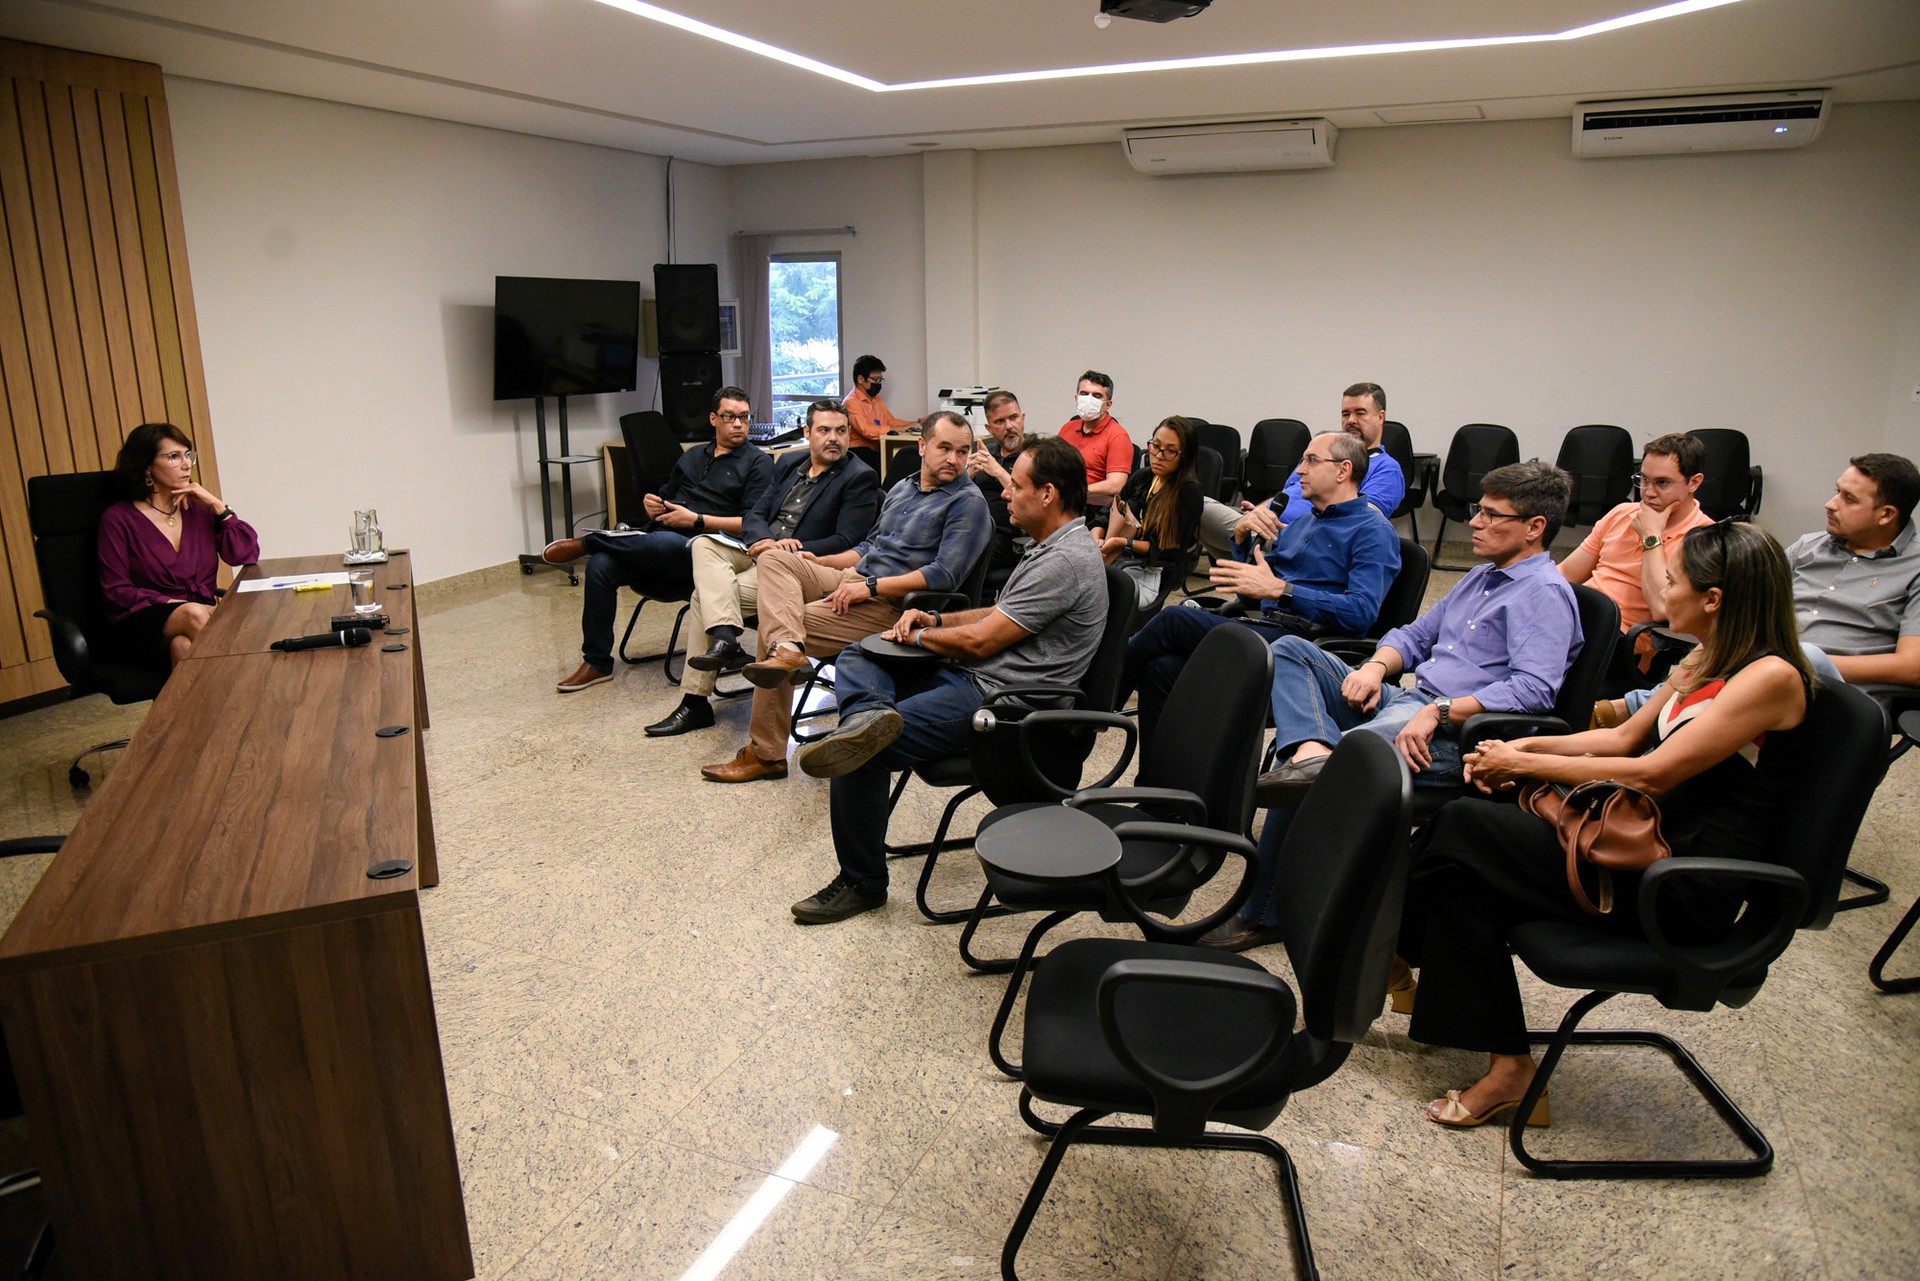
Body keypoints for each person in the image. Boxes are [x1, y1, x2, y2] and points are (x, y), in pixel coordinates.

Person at [1397, 520, 1812, 1129]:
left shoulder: (1770, 677)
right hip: (1634, 847)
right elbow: (1621, 737)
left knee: (1463, 824)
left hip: (1681, 883)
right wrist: (1522, 751)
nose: (1660, 589)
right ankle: (1510, 1069)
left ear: (1714, 600)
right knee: (1465, 874)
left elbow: (1652, 775)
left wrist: (1521, 760)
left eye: (1673, 580)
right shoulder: (1705, 657)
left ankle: (1389, 949)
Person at [1202, 460, 1580, 952]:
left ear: (1535, 528)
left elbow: (1533, 691)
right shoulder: (1482, 576)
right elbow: (1416, 635)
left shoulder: (1545, 594)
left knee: (1334, 764)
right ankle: (1312, 752)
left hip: (1458, 737)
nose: (1475, 523)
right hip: (1407, 700)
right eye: (1477, 511)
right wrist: (1376, 667)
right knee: (1292, 654)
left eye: (1491, 516)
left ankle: (1265, 908)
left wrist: (1439, 710)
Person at [787, 436, 1109, 924]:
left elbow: (982, 642)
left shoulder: (1065, 561)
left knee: (857, 752)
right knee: (860, 653)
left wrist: (920, 639)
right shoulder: (1055, 546)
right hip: (976, 677)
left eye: (1016, 485)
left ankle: (863, 882)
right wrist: (935, 623)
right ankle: (870, 715)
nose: (1005, 493)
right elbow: (998, 615)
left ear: (1047, 494)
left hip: (1003, 702)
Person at [700, 411, 992, 783]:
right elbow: (868, 546)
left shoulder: (968, 502)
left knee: (778, 627)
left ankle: (767, 752)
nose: (954, 459)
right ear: (922, 446)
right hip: (855, 578)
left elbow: (944, 575)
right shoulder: (903, 488)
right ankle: (788, 652)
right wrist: (817, 562)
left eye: (962, 451)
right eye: (945, 448)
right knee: (776, 557)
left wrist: (868, 588)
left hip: (896, 607)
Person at [1122, 431, 1400, 744]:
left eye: (1311, 460)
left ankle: (1093, 705)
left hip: (1306, 646)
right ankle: (1154, 786)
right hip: (1268, 627)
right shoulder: (1303, 524)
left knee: (1174, 619)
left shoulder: (1372, 531)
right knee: (1160, 669)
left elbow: (1361, 613)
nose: (1299, 471)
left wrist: (1284, 591)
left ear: (1343, 470)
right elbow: (1252, 593)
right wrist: (1240, 539)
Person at [642, 399, 879, 737]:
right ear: (807, 432)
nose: (834, 438)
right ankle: (725, 638)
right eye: (824, 430)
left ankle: (697, 698)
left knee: (703, 599)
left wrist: (788, 549)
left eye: (841, 431)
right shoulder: (789, 462)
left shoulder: (859, 476)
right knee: (704, 543)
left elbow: (848, 540)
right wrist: (766, 540)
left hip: (800, 566)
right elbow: (755, 513)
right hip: (761, 549)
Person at [546, 387, 772, 694]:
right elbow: (665, 497)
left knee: (670, 543)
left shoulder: (759, 464)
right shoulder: (692, 457)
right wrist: (652, 504)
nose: (737, 424)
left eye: (744, 417)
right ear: (713, 419)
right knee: (601, 567)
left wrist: (696, 520)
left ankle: (589, 544)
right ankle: (597, 662)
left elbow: (752, 522)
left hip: (708, 556)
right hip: (659, 547)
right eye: (729, 417)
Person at [97, 422, 260, 667]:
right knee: (193, 613)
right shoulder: (118, 519)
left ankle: (193, 706)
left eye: (188, 455)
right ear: (146, 466)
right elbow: (116, 591)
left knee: (183, 645)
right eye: (174, 456)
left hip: (199, 619)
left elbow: (245, 554)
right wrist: (176, 605)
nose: (186, 465)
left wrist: (217, 505)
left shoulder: (199, 510)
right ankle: (250, 681)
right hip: (141, 623)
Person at [1199, 383, 1407, 559]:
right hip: (1269, 528)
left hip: (1297, 543)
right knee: (1187, 509)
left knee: (1193, 504)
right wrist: (1261, 511)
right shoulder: (1324, 452)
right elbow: (1288, 494)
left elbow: (1360, 522)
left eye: (1360, 413)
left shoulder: (1387, 469)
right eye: (1346, 413)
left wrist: (1288, 529)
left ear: (1380, 417)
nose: (1351, 420)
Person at [1559, 432, 1713, 640]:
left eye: (1662, 483)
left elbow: (1662, 608)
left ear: (1694, 483)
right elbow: (1567, 572)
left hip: (1621, 640)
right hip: (1576, 620)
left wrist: (1651, 536)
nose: (1648, 493)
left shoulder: (1704, 539)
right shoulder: (1622, 513)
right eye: (1644, 480)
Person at [1788, 452, 1920, 694]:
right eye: (1837, 491)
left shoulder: (1915, 567)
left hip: (1837, 698)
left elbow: (1913, 667)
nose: (1831, 504)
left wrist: (1799, 663)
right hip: (1768, 678)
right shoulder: (1808, 546)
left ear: (1886, 514)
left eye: (1849, 499)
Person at [1095, 415, 1205, 567]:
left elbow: (1168, 551)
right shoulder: (1144, 477)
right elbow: (1107, 513)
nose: (1159, 456)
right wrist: (1097, 537)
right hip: (1122, 556)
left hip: (1156, 567)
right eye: (1156, 446)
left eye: (1170, 451)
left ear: (1184, 456)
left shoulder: (1188, 491)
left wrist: (1124, 543)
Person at [1055, 370, 1131, 520]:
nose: (1088, 399)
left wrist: (1077, 490)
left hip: (1089, 508)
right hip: (1058, 500)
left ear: (1108, 404)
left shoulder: (1118, 436)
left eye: (1097, 396)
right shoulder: (1067, 428)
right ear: (1076, 398)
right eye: (1084, 394)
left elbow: (1116, 485)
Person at [968, 390, 1029, 574]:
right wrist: (966, 478)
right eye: (1000, 422)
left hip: (1014, 537)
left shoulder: (1035, 454)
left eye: (1014, 418)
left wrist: (997, 471)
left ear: (1023, 418)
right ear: (989, 428)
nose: (1009, 426)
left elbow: (1031, 497)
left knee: (965, 558)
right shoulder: (984, 452)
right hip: (975, 529)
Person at [844, 355, 918, 476]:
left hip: (877, 450)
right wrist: (895, 429)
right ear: (861, 379)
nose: (878, 384)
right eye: (875, 380)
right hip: (859, 453)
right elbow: (866, 430)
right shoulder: (851, 402)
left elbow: (890, 421)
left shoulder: (877, 400)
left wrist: (911, 424)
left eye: (880, 380)